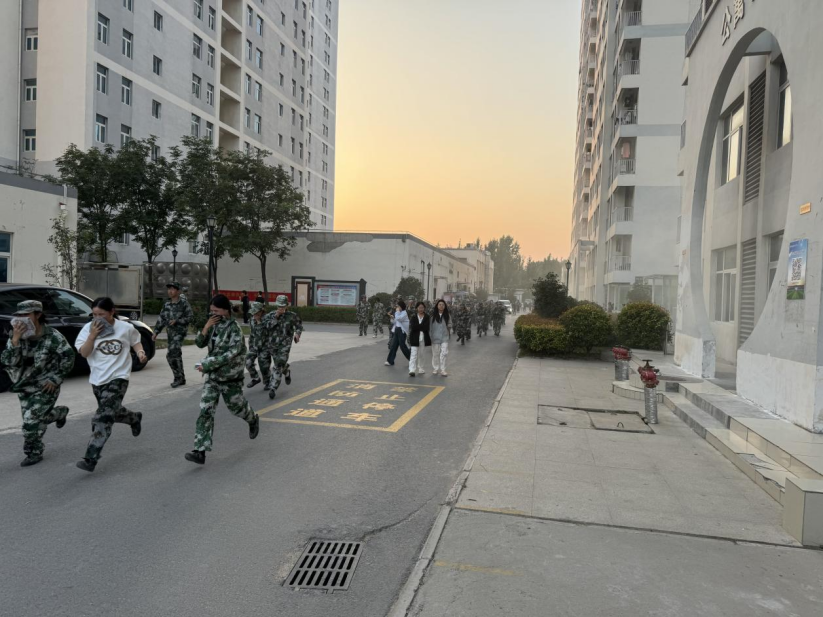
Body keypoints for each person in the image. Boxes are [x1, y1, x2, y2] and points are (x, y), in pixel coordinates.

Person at [75, 297, 148, 472]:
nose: (97, 318)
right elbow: (84, 353)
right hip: (98, 379)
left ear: (112, 312)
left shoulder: (126, 328)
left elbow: (136, 342)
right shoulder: (88, 329)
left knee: (102, 417)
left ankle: (91, 457)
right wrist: (92, 335)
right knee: (111, 412)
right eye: (94, 315)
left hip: (119, 377)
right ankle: (133, 418)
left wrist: (140, 352)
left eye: (101, 314)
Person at [186, 294, 259, 465]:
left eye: (216, 311)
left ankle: (252, 419)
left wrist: (208, 363)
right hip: (213, 377)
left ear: (226, 310)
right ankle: (200, 451)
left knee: (237, 408)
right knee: (205, 411)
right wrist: (206, 327)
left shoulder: (235, 329)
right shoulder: (213, 325)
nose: (213, 314)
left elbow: (230, 355)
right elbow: (199, 343)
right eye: (211, 311)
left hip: (230, 377)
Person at [1, 300, 75, 467]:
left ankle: (34, 453)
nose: (21, 318)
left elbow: (68, 357)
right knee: (34, 419)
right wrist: (15, 340)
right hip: (23, 384)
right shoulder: (16, 334)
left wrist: (55, 379)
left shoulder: (53, 336)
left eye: (26, 314)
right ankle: (59, 413)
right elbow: (8, 361)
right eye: (19, 315)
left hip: (46, 385)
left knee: (30, 422)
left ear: (38, 315)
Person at [152, 281, 193, 388]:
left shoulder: (184, 303)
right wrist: (156, 332)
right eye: (169, 289)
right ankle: (180, 377)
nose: (170, 291)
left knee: (171, 354)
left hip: (179, 333)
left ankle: (179, 378)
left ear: (178, 291)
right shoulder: (167, 304)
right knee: (175, 355)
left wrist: (177, 321)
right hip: (170, 333)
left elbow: (190, 317)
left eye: (173, 289)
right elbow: (161, 319)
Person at [262, 295, 303, 400]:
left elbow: (299, 326)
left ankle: (273, 388)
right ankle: (287, 371)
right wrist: (276, 317)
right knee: (279, 364)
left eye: (283, 306)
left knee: (278, 364)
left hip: (285, 345)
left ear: (286, 305)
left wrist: (297, 334)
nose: (281, 308)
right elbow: (266, 327)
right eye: (279, 306)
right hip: (272, 345)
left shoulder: (292, 316)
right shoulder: (270, 315)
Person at [245, 302, 271, 390]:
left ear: (261, 311)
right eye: (253, 312)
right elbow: (252, 334)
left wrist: (259, 322)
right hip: (255, 345)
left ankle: (267, 382)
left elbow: (263, 334)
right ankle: (255, 378)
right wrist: (250, 346)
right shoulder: (252, 320)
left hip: (265, 346)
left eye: (256, 312)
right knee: (248, 362)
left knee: (264, 366)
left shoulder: (267, 319)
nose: (254, 314)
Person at [385, 300, 411, 366]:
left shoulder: (404, 313)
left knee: (402, 346)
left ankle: (411, 359)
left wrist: (397, 312)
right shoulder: (398, 313)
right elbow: (395, 322)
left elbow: (399, 319)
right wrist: (392, 318)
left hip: (402, 331)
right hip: (397, 330)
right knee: (393, 346)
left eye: (398, 306)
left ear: (401, 306)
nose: (397, 307)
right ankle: (390, 361)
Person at [408, 301, 431, 377]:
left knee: (421, 354)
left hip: (423, 338)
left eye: (422, 307)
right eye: (419, 307)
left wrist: (418, 326)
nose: (421, 309)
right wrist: (421, 326)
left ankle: (421, 368)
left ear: (424, 308)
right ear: (417, 308)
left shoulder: (427, 317)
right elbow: (413, 327)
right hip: (414, 337)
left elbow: (426, 328)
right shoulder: (413, 317)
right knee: (413, 354)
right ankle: (412, 369)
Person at [430, 299, 451, 376]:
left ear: (445, 306)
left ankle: (443, 369)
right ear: (437, 306)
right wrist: (430, 337)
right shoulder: (433, 316)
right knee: (435, 354)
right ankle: (435, 368)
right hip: (435, 337)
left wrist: (448, 328)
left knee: (444, 353)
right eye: (440, 304)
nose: (441, 306)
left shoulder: (447, 315)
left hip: (444, 337)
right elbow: (430, 327)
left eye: (443, 305)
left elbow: (450, 324)